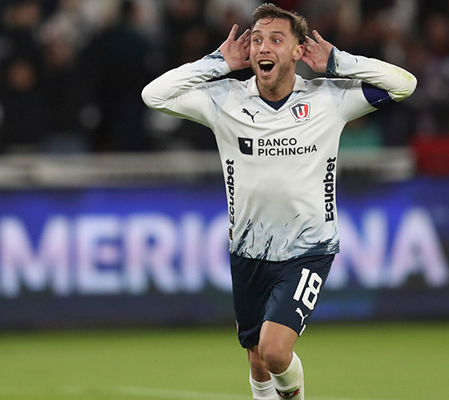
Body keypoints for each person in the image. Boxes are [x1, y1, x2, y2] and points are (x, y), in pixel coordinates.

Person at [141, 3, 416, 400]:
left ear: (297, 51)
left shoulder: (328, 99)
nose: (263, 47)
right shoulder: (226, 99)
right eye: (256, 40)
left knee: (274, 350)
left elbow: (403, 85)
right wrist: (217, 62)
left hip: (308, 249)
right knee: (256, 359)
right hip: (248, 250)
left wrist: (338, 61)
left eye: (275, 39)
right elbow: (154, 95)